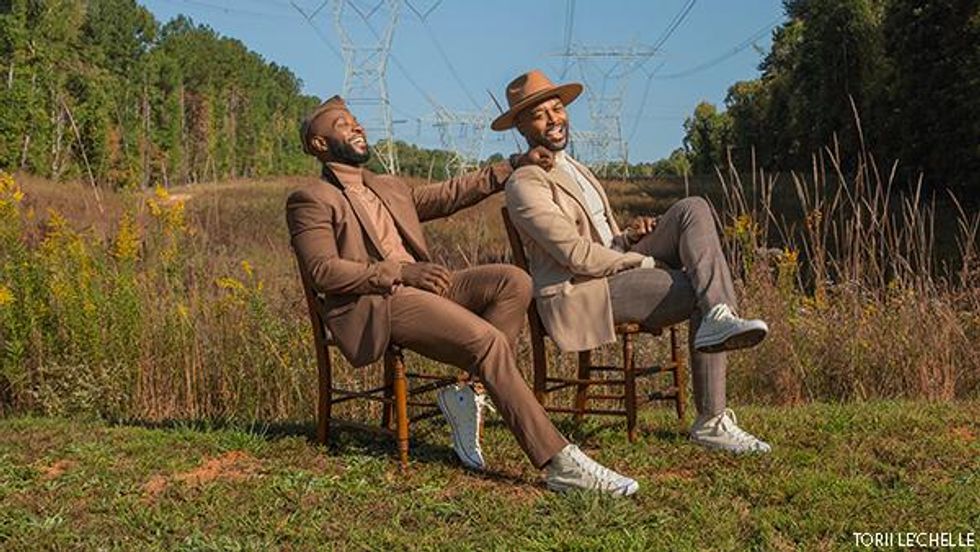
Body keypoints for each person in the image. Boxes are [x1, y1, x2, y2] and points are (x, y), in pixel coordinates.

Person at [286, 95, 639, 496]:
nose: (357, 127)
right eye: (343, 125)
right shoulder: (311, 199)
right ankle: (559, 461)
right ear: (318, 144)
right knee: (487, 344)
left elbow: (450, 194)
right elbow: (322, 271)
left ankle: (468, 394)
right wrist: (398, 272)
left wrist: (512, 167)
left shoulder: (387, 186)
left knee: (514, 281)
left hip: (424, 287)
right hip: (380, 301)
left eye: (356, 121)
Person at [495, 69, 772, 457]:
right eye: (540, 115)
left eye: (557, 109)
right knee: (699, 291)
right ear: (522, 127)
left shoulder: (576, 169)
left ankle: (720, 315)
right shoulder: (526, 183)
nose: (554, 119)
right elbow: (575, 255)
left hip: (610, 270)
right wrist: (640, 261)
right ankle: (712, 420)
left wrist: (629, 237)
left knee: (692, 208)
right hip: (580, 292)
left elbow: (602, 242)